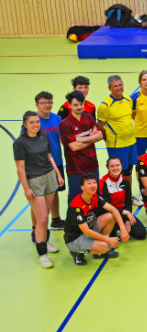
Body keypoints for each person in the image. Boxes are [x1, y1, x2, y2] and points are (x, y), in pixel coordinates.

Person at [15, 111, 63, 268]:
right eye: (32, 122)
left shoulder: (43, 136)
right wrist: (26, 188)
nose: (35, 125)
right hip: (34, 181)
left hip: (49, 176)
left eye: (37, 122)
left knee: (45, 214)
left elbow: (49, 157)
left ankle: (44, 241)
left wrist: (58, 175)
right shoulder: (20, 143)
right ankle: (42, 254)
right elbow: (20, 168)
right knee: (42, 218)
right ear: (25, 124)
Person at [63, 173, 127, 265]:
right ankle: (77, 252)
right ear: (82, 187)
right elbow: (86, 231)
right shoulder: (76, 206)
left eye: (94, 182)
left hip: (88, 230)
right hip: (74, 239)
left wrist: (123, 229)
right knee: (105, 246)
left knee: (111, 216)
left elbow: (113, 209)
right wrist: (107, 240)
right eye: (89, 183)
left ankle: (98, 252)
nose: (93, 185)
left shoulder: (94, 197)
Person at [60, 90, 103, 203]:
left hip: (92, 166)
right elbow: (74, 147)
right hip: (75, 170)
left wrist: (81, 139)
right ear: (69, 105)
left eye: (81, 104)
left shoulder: (88, 117)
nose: (79, 107)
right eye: (76, 105)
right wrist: (91, 139)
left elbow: (100, 136)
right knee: (76, 201)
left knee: (94, 198)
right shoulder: (65, 124)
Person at [33, 91, 65, 230]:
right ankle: (37, 228)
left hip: (56, 162)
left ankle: (56, 220)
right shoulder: (33, 122)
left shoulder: (57, 119)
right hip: (40, 165)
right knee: (40, 197)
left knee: (54, 191)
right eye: (44, 103)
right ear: (37, 104)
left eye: (50, 102)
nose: (47, 105)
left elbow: (63, 140)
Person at [97, 75, 137, 178]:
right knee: (117, 173)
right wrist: (108, 139)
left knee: (128, 171)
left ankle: (128, 194)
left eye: (120, 85)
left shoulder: (128, 99)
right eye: (115, 86)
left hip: (131, 142)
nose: (119, 88)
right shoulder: (105, 106)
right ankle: (116, 194)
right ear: (109, 88)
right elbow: (101, 126)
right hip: (116, 146)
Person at [99, 157, 147, 240]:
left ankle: (122, 226)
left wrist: (128, 221)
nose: (115, 168)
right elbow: (107, 207)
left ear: (121, 166)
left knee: (141, 233)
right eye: (112, 166)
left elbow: (128, 202)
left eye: (117, 165)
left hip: (123, 214)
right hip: (110, 216)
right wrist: (123, 227)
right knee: (113, 237)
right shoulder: (103, 183)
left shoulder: (125, 181)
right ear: (108, 168)